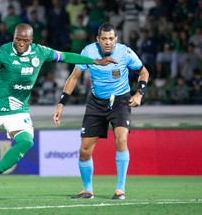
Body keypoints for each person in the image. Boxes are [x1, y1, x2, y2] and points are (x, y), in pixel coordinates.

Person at [0, 23, 116, 186]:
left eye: (25, 40)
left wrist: (95, 61)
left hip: (18, 108)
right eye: (17, 39)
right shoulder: (2, 52)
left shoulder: (40, 52)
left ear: (31, 40)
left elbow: (65, 56)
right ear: (13, 38)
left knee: (27, 142)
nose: (20, 43)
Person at [52, 22, 149, 200]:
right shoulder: (88, 52)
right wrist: (61, 103)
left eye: (111, 39)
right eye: (104, 39)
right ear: (98, 40)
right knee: (84, 151)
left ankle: (120, 190)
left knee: (121, 139)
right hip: (96, 103)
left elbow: (144, 72)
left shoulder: (125, 53)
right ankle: (87, 190)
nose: (107, 42)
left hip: (121, 101)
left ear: (116, 39)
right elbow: (74, 77)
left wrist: (139, 94)